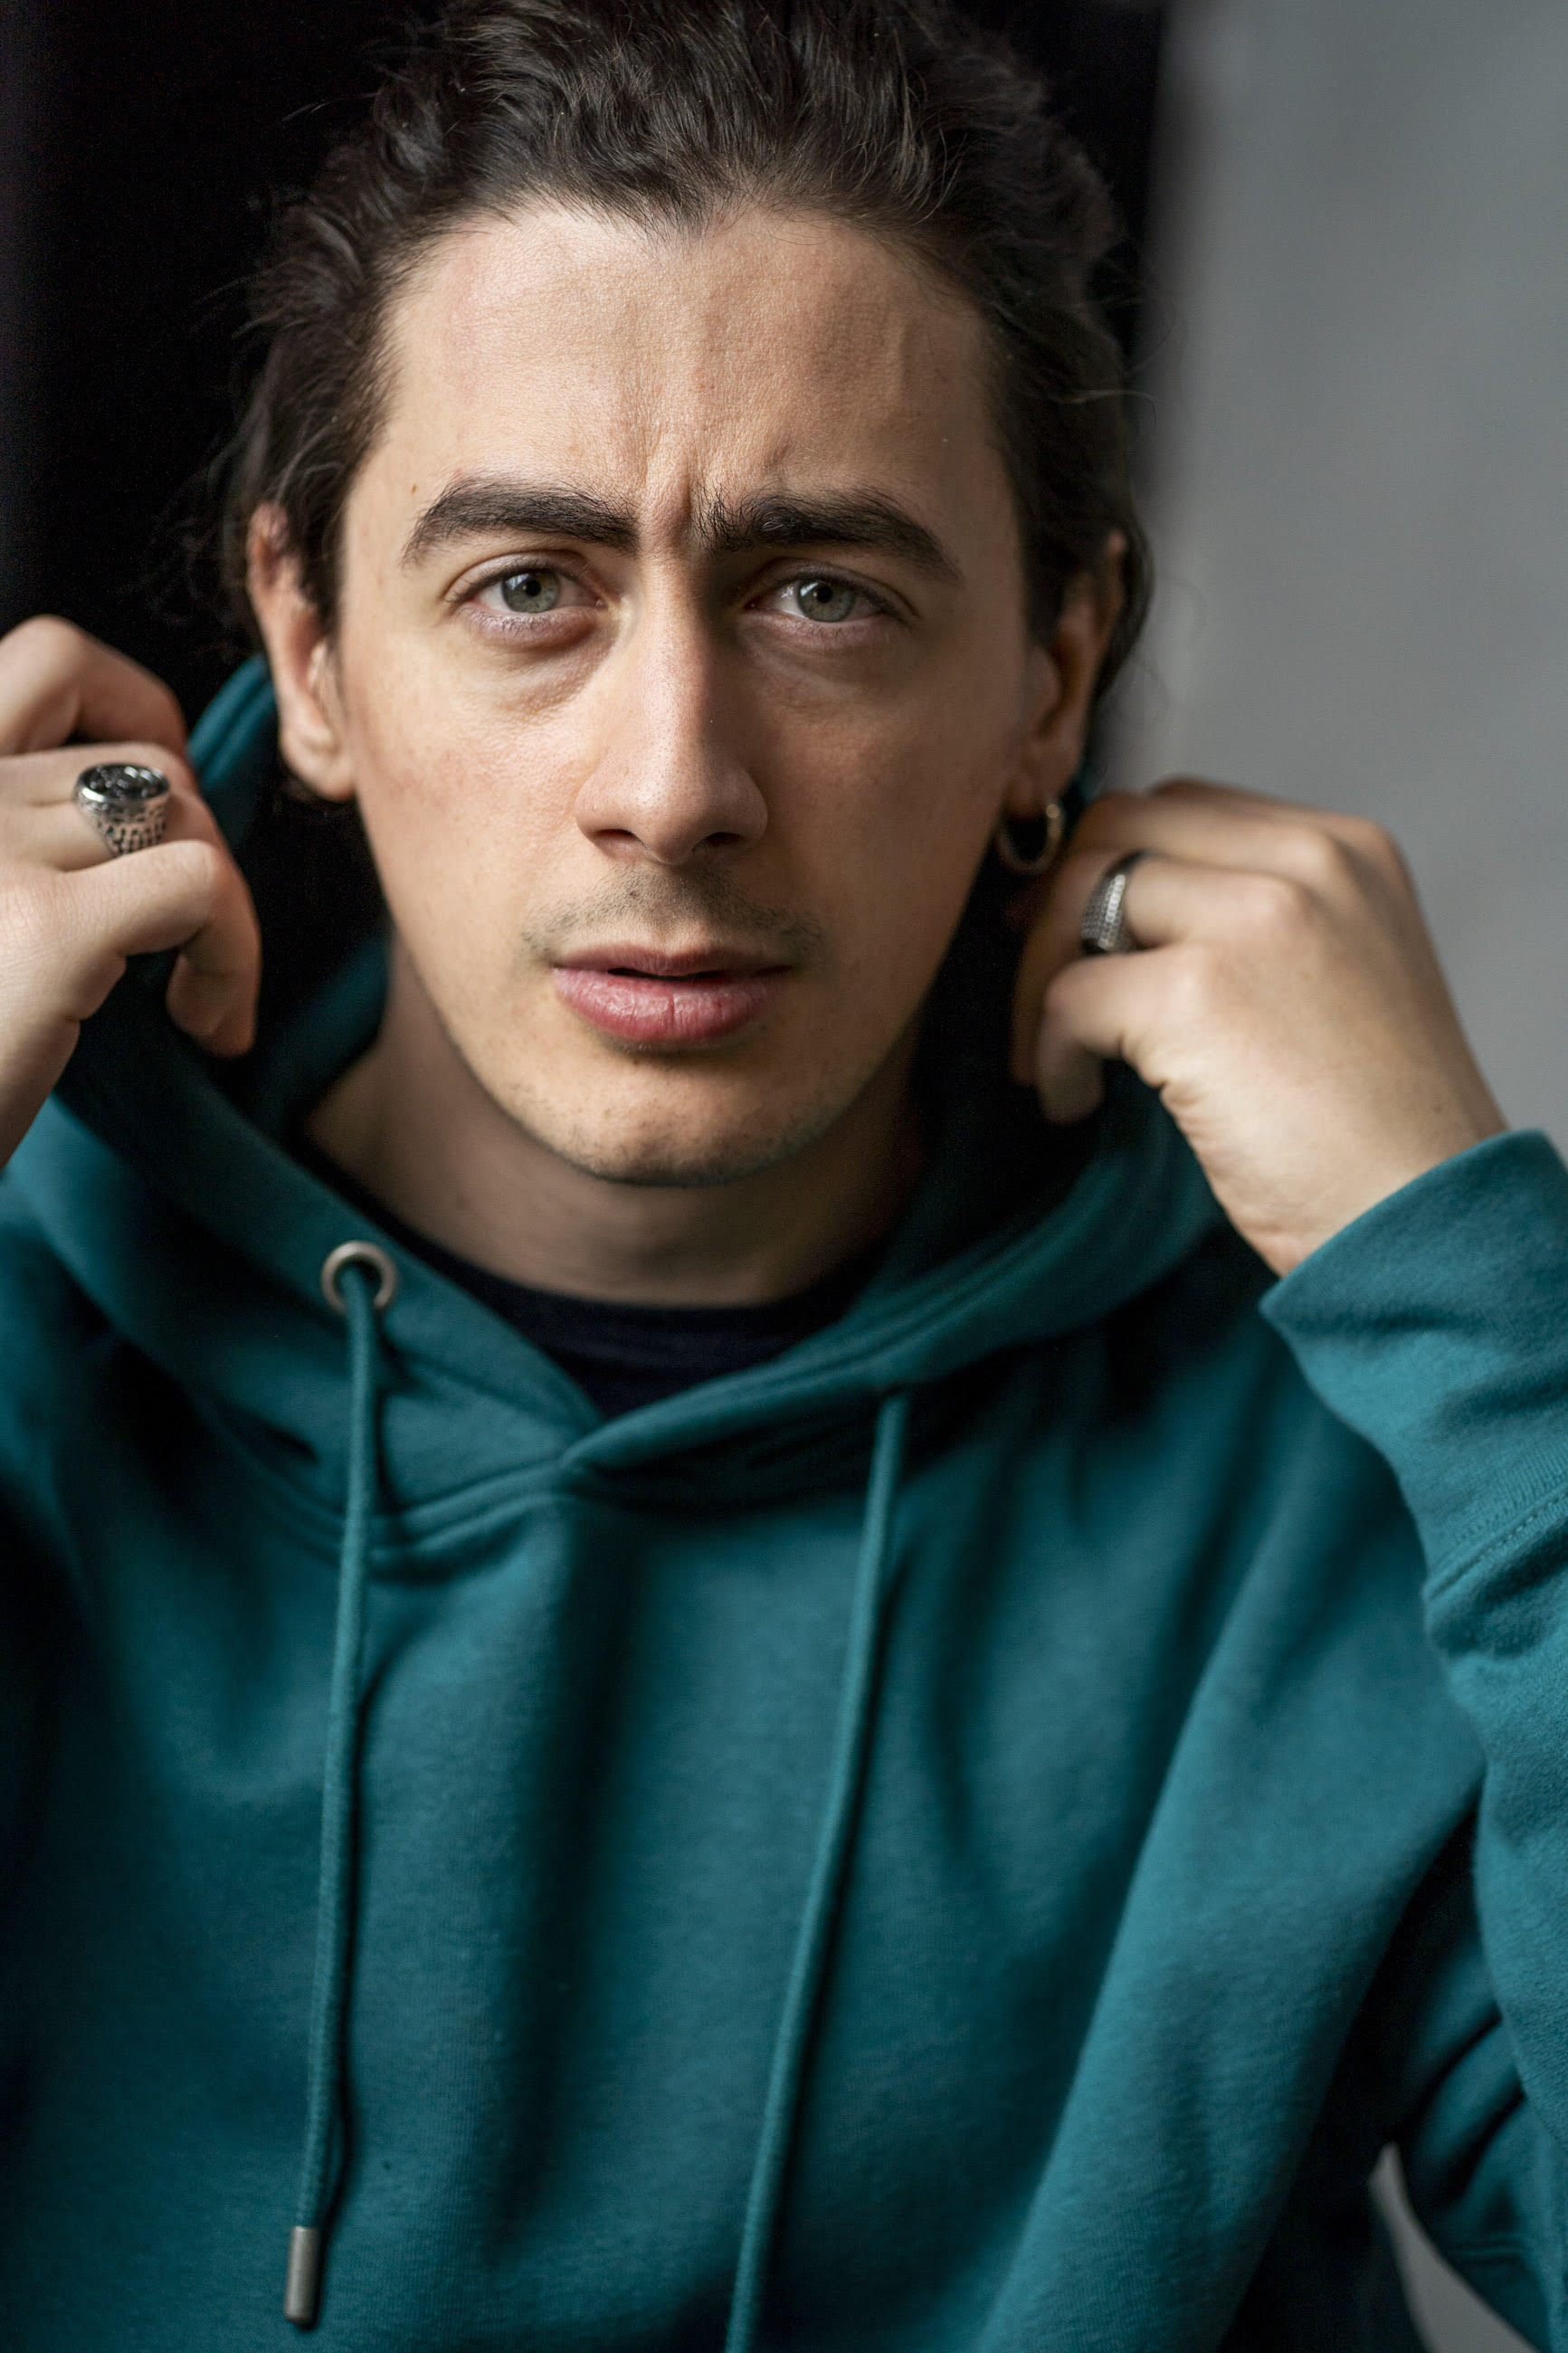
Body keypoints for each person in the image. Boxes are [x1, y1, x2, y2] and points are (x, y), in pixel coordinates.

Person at [2, 1, 1564, 2345]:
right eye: (528, 586)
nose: (676, 784)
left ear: (1055, 673)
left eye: (822, 592)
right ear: (310, 650)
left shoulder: (1357, 1454)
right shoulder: (33, 1346)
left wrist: (1489, 1310)